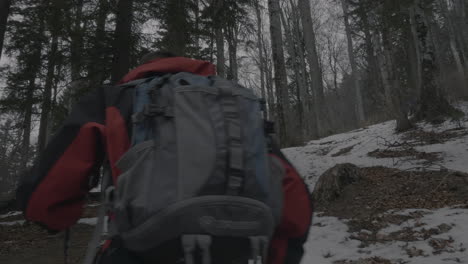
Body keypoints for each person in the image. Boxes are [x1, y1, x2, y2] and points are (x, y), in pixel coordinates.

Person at [16, 52, 312, 264]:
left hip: (141, 249)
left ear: (142, 70)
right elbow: (294, 198)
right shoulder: (235, 103)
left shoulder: (118, 99)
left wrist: (55, 218)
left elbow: (43, 196)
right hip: (236, 246)